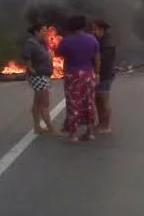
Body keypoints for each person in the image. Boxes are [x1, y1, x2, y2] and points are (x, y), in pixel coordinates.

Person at [57, 15, 100, 143]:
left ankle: (73, 134)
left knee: (73, 103)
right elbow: (97, 58)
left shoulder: (66, 41)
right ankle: (90, 132)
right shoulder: (92, 39)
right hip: (88, 73)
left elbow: (58, 53)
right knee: (89, 102)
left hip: (72, 75)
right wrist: (97, 73)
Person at [22, 24, 60, 136]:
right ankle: (51, 128)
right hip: (39, 76)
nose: (46, 33)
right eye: (43, 31)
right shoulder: (31, 43)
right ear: (36, 32)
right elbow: (26, 56)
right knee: (44, 103)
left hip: (44, 75)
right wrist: (30, 68)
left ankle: (37, 127)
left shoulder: (42, 43)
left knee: (38, 103)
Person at [91, 19, 116, 133]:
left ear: (102, 29)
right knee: (98, 101)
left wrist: (98, 74)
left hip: (104, 76)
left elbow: (105, 63)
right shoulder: (99, 41)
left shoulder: (107, 44)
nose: (93, 31)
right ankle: (100, 123)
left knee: (104, 101)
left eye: (95, 29)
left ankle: (106, 125)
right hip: (98, 75)